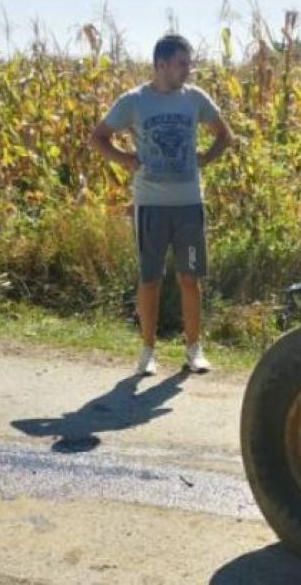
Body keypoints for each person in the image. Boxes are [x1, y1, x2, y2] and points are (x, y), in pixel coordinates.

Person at [90, 34, 233, 376]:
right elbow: (97, 138)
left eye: (188, 63)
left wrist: (205, 159)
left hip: (188, 204)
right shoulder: (135, 101)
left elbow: (224, 135)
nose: (188, 70)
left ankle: (194, 349)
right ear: (161, 64)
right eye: (182, 63)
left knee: (189, 277)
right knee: (150, 279)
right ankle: (147, 351)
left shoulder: (195, 99)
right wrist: (126, 160)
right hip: (150, 205)